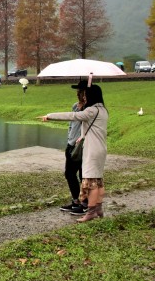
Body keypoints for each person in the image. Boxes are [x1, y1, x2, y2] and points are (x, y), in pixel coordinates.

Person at [40, 84, 109, 223]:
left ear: (90, 95)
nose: (83, 96)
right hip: (101, 148)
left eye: (85, 94)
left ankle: (90, 212)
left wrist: (50, 116)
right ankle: (98, 209)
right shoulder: (103, 110)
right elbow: (92, 128)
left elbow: (72, 116)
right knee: (98, 181)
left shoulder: (91, 110)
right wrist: (82, 136)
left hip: (92, 150)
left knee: (91, 182)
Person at [59, 80, 87, 215]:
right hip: (71, 145)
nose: (78, 93)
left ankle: (85, 203)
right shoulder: (75, 107)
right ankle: (76, 200)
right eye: (78, 91)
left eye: (81, 91)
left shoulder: (90, 109)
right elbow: (71, 124)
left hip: (83, 146)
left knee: (84, 175)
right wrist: (70, 139)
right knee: (69, 173)